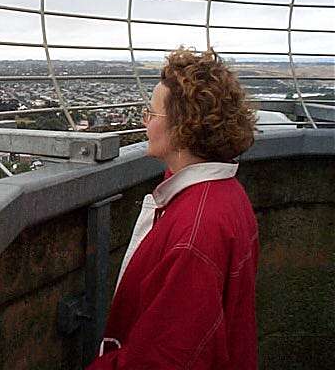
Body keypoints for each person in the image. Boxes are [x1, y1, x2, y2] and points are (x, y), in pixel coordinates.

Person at [88, 48, 259, 369]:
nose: (146, 123)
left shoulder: (195, 229)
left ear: (183, 126)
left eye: (152, 114)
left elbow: (163, 357)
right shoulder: (226, 194)